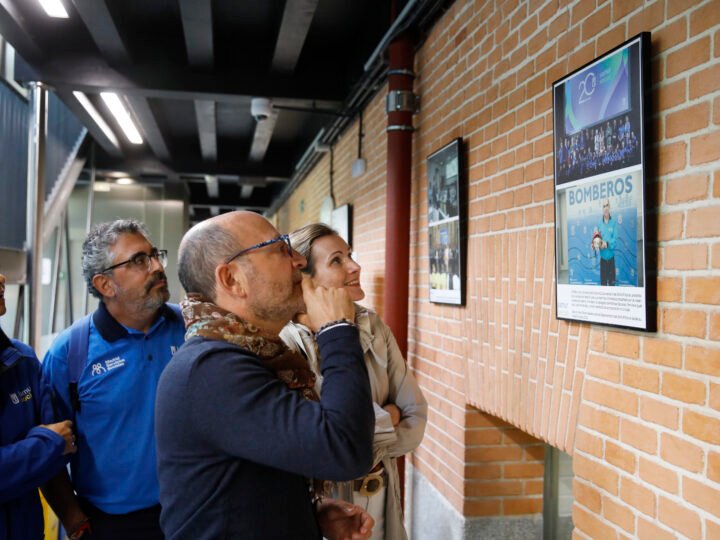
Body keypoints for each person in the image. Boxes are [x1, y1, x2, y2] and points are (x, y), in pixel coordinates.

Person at [155, 211, 376, 539]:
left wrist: (308, 513)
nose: (299, 261)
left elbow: (241, 487)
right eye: (280, 248)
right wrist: (337, 329)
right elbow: (345, 449)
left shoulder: (253, 355)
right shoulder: (211, 369)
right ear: (232, 279)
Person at [281, 223, 427, 540]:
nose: (355, 266)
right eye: (337, 260)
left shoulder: (371, 324)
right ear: (304, 278)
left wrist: (355, 438)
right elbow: (320, 440)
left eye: (349, 255)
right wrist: (388, 417)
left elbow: (414, 417)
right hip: (325, 509)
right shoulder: (282, 343)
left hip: (381, 501)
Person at [42, 219, 186, 539]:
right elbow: (47, 451)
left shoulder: (192, 328)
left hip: (192, 511)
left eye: (154, 255)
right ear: (106, 285)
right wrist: (74, 521)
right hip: (111, 524)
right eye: (139, 261)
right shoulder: (69, 353)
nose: (157, 267)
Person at [0, 272, 85, 539]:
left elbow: (65, 447)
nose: (2, 277)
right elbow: (57, 442)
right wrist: (46, 444)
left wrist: (74, 518)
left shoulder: (21, 360)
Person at [597, 199, 617, 286]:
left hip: (611, 260)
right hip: (603, 261)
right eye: (603, 206)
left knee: (612, 285)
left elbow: (615, 241)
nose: (605, 208)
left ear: (610, 207)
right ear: (602, 208)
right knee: (603, 286)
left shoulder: (614, 223)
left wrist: (607, 244)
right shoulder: (599, 224)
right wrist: (596, 245)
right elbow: (597, 239)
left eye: (607, 205)